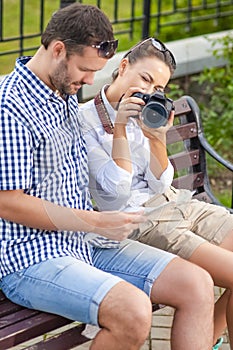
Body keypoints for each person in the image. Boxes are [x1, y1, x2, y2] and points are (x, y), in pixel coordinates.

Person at [0, 4, 215, 350]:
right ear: (58, 50)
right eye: (86, 70)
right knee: (133, 311)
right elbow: (7, 202)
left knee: (197, 285)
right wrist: (97, 222)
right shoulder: (11, 107)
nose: (89, 81)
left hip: (84, 244)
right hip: (32, 257)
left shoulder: (62, 91)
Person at [79, 36, 233, 349]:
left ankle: (210, 340)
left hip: (177, 204)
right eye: (146, 79)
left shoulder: (148, 114)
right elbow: (114, 197)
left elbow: (162, 183)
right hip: (142, 221)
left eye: (159, 88)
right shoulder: (86, 121)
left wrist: (156, 138)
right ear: (123, 67)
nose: (150, 92)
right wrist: (120, 127)